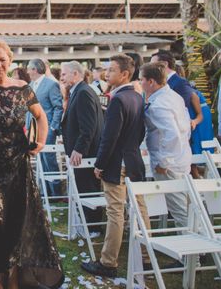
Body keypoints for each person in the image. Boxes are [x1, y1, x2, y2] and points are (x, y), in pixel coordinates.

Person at [0, 40, 64, 289]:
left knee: (17, 220)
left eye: (2, 59)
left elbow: (41, 116)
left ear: (10, 61)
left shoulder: (23, 88)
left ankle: (13, 275)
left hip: (17, 163)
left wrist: (41, 141)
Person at [82, 54, 149, 278]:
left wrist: (100, 164)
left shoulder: (118, 99)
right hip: (133, 159)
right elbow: (140, 132)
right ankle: (146, 255)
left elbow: (109, 137)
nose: (106, 73)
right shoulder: (138, 97)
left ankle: (108, 262)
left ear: (124, 74)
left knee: (115, 212)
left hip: (116, 163)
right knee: (139, 209)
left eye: (111, 70)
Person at [140, 62, 191, 228]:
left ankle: (194, 252)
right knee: (185, 204)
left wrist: (163, 162)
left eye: (142, 79)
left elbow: (172, 134)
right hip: (182, 156)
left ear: (151, 82)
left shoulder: (158, 105)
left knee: (179, 209)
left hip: (170, 164)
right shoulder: (174, 96)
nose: (140, 83)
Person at [60, 61, 103, 225]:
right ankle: (85, 222)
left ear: (76, 74)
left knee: (88, 189)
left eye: (64, 74)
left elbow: (89, 126)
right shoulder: (78, 91)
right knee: (82, 188)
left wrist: (79, 149)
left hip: (86, 154)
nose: (61, 77)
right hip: (81, 152)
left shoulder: (84, 93)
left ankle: (92, 226)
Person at [27, 58, 64, 196]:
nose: (27, 71)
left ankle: (56, 194)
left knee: (49, 160)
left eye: (29, 68)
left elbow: (58, 107)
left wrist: (53, 128)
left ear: (35, 70)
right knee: (40, 161)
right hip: (33, 130)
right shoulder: (30, 85)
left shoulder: (50, 84)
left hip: (48, 129)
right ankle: (45, 192)